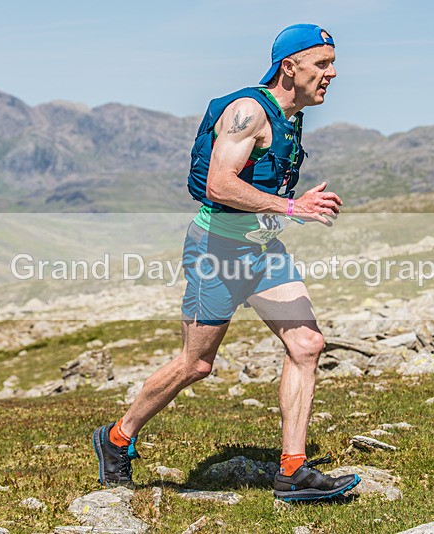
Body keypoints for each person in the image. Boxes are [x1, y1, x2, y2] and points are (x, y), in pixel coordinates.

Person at [93, 23, 360, 502]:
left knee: (307, 344)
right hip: (216, 252)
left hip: (262, 252)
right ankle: (116, 438)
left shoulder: (291, 116)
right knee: (196, 364)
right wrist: (292, 207)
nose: (332, 73)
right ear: (289, 67)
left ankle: (293, 471)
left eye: (333, 63)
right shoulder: (247, 111)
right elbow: (219, 184)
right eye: (322, 64)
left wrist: (287, 207)